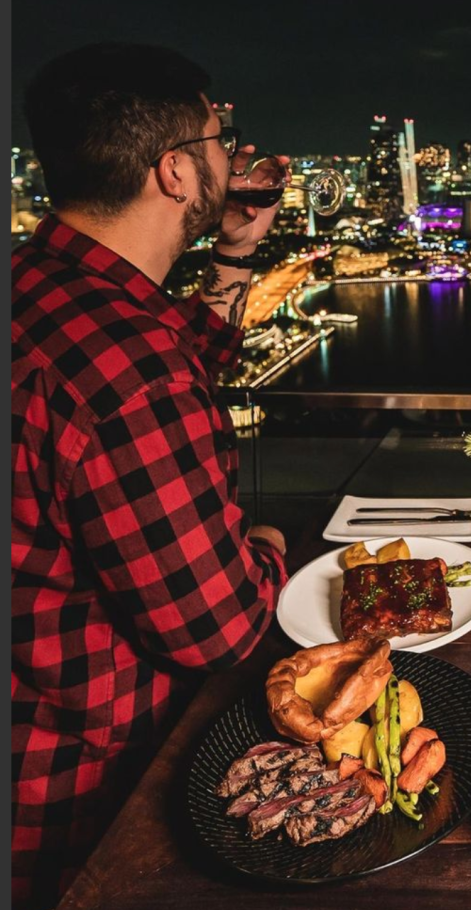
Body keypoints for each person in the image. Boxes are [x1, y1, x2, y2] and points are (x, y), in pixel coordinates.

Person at [12, 44, 290, 909]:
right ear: (174, 172)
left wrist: (236, 257)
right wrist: (269, 547)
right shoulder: (130, 370)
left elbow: (155, 381)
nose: (231, 153)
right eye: (219, 135)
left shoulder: (39, 284)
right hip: (84, 800)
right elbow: (224, 630)